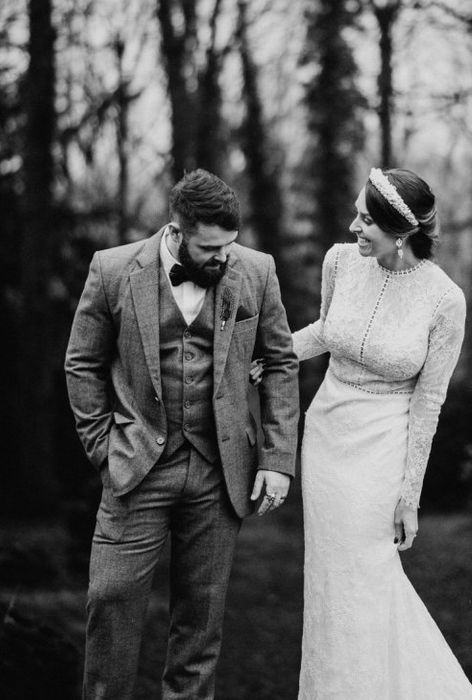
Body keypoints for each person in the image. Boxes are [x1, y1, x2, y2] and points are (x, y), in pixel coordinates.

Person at [65, 168, 299, 699]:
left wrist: (276, 458)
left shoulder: (257, 271)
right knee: (111, 603)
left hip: (219, 472)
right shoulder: (114, 269)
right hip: (136, 466)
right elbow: (81, 364)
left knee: (201, 624)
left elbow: (281, 362)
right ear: (177, 230)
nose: (222, 258)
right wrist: (104, 447)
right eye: (209, 247)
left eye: (229, 246)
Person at [276, 167, 472, 698]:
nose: (353, 227)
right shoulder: (339, 262)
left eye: (366, 220)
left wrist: (409, 495)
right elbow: (326, 330)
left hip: (382, 448)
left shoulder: (444, 300)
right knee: (328, 582)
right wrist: (273, 357)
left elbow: (430, 400)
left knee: (367, 575)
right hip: (326, 435)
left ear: (402, 232)